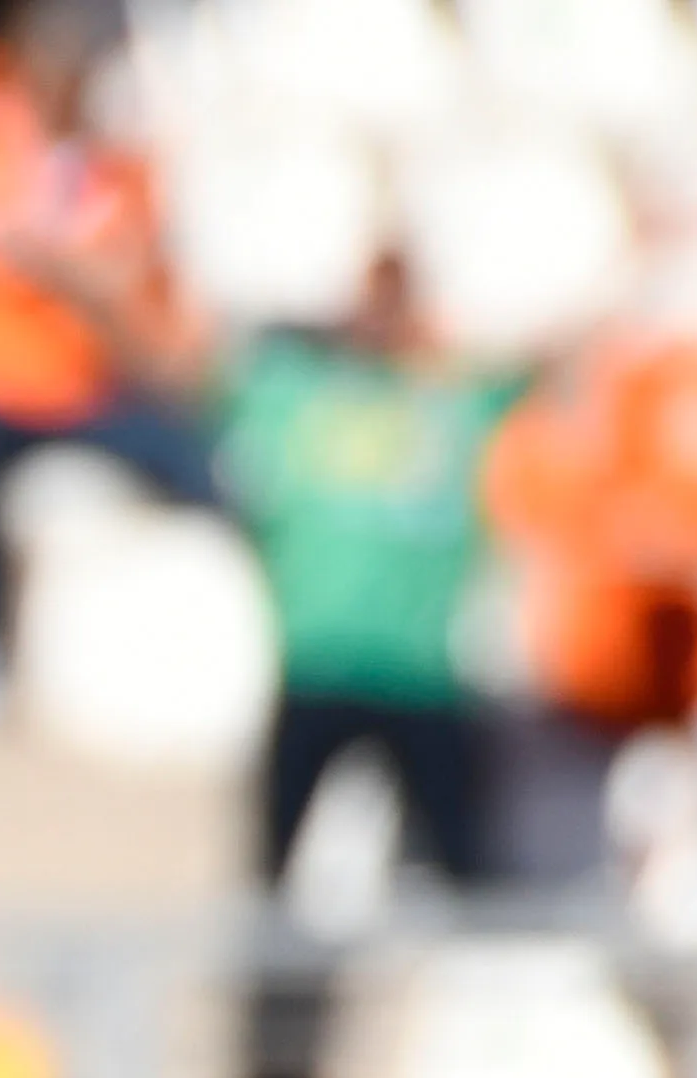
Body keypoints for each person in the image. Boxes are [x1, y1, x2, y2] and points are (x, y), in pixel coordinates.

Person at [0, 0, 218, 729]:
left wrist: (81, 278)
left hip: (94, 387)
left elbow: (130, 274)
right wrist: (75, 274)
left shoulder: (110, 162)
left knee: (204, 461)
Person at [215, 246, 522, 895]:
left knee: (464, 866)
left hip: (421, 675)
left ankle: (476, 987)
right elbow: (177, 363)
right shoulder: (291, 396)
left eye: (397, 296)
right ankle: (269, 995)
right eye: (371, 294)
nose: (381, 314)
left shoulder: (457, 404)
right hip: (315, 665)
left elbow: (546, 360)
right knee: (271, 862)